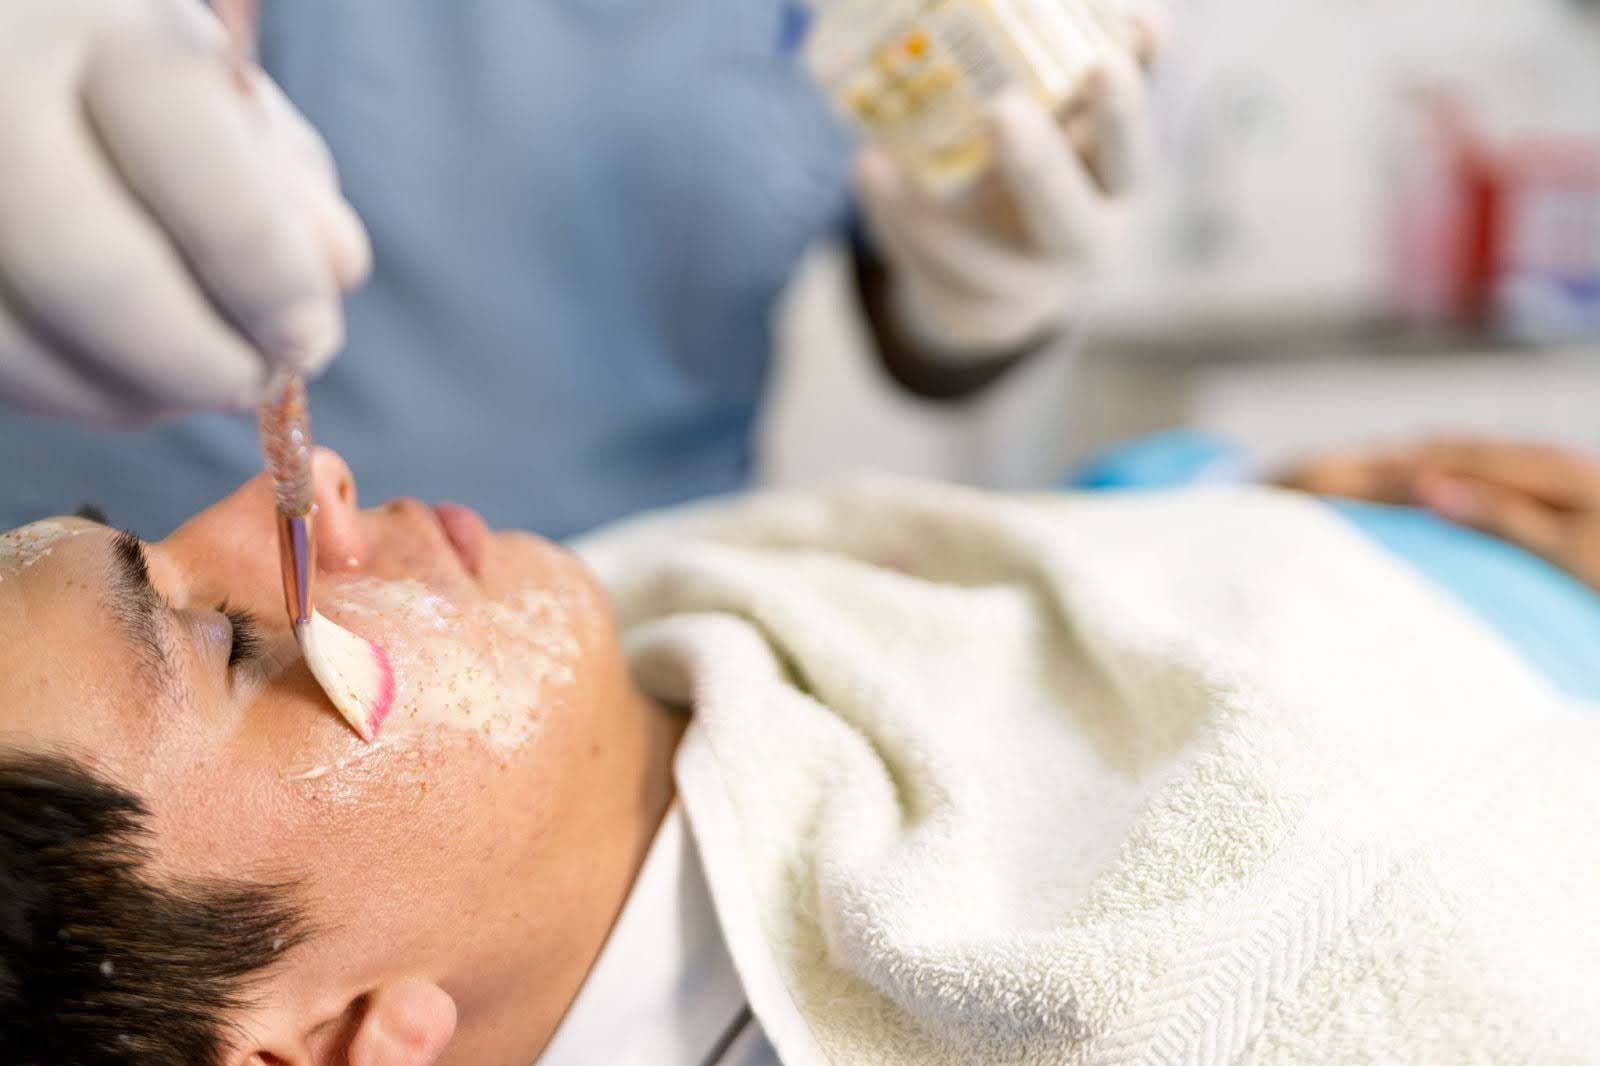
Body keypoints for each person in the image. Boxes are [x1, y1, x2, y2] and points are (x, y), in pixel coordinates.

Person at [2, 441, 1598, 1065]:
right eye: (229, 638)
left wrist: (1253, 499)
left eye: (151, 536)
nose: (311, 487)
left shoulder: (621, 614)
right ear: (313, 1043)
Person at [0, 0, 1154, 539]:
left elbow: (916, 338)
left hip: (632, 602)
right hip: (96, 536)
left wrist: (977, 300)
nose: (381, 527)